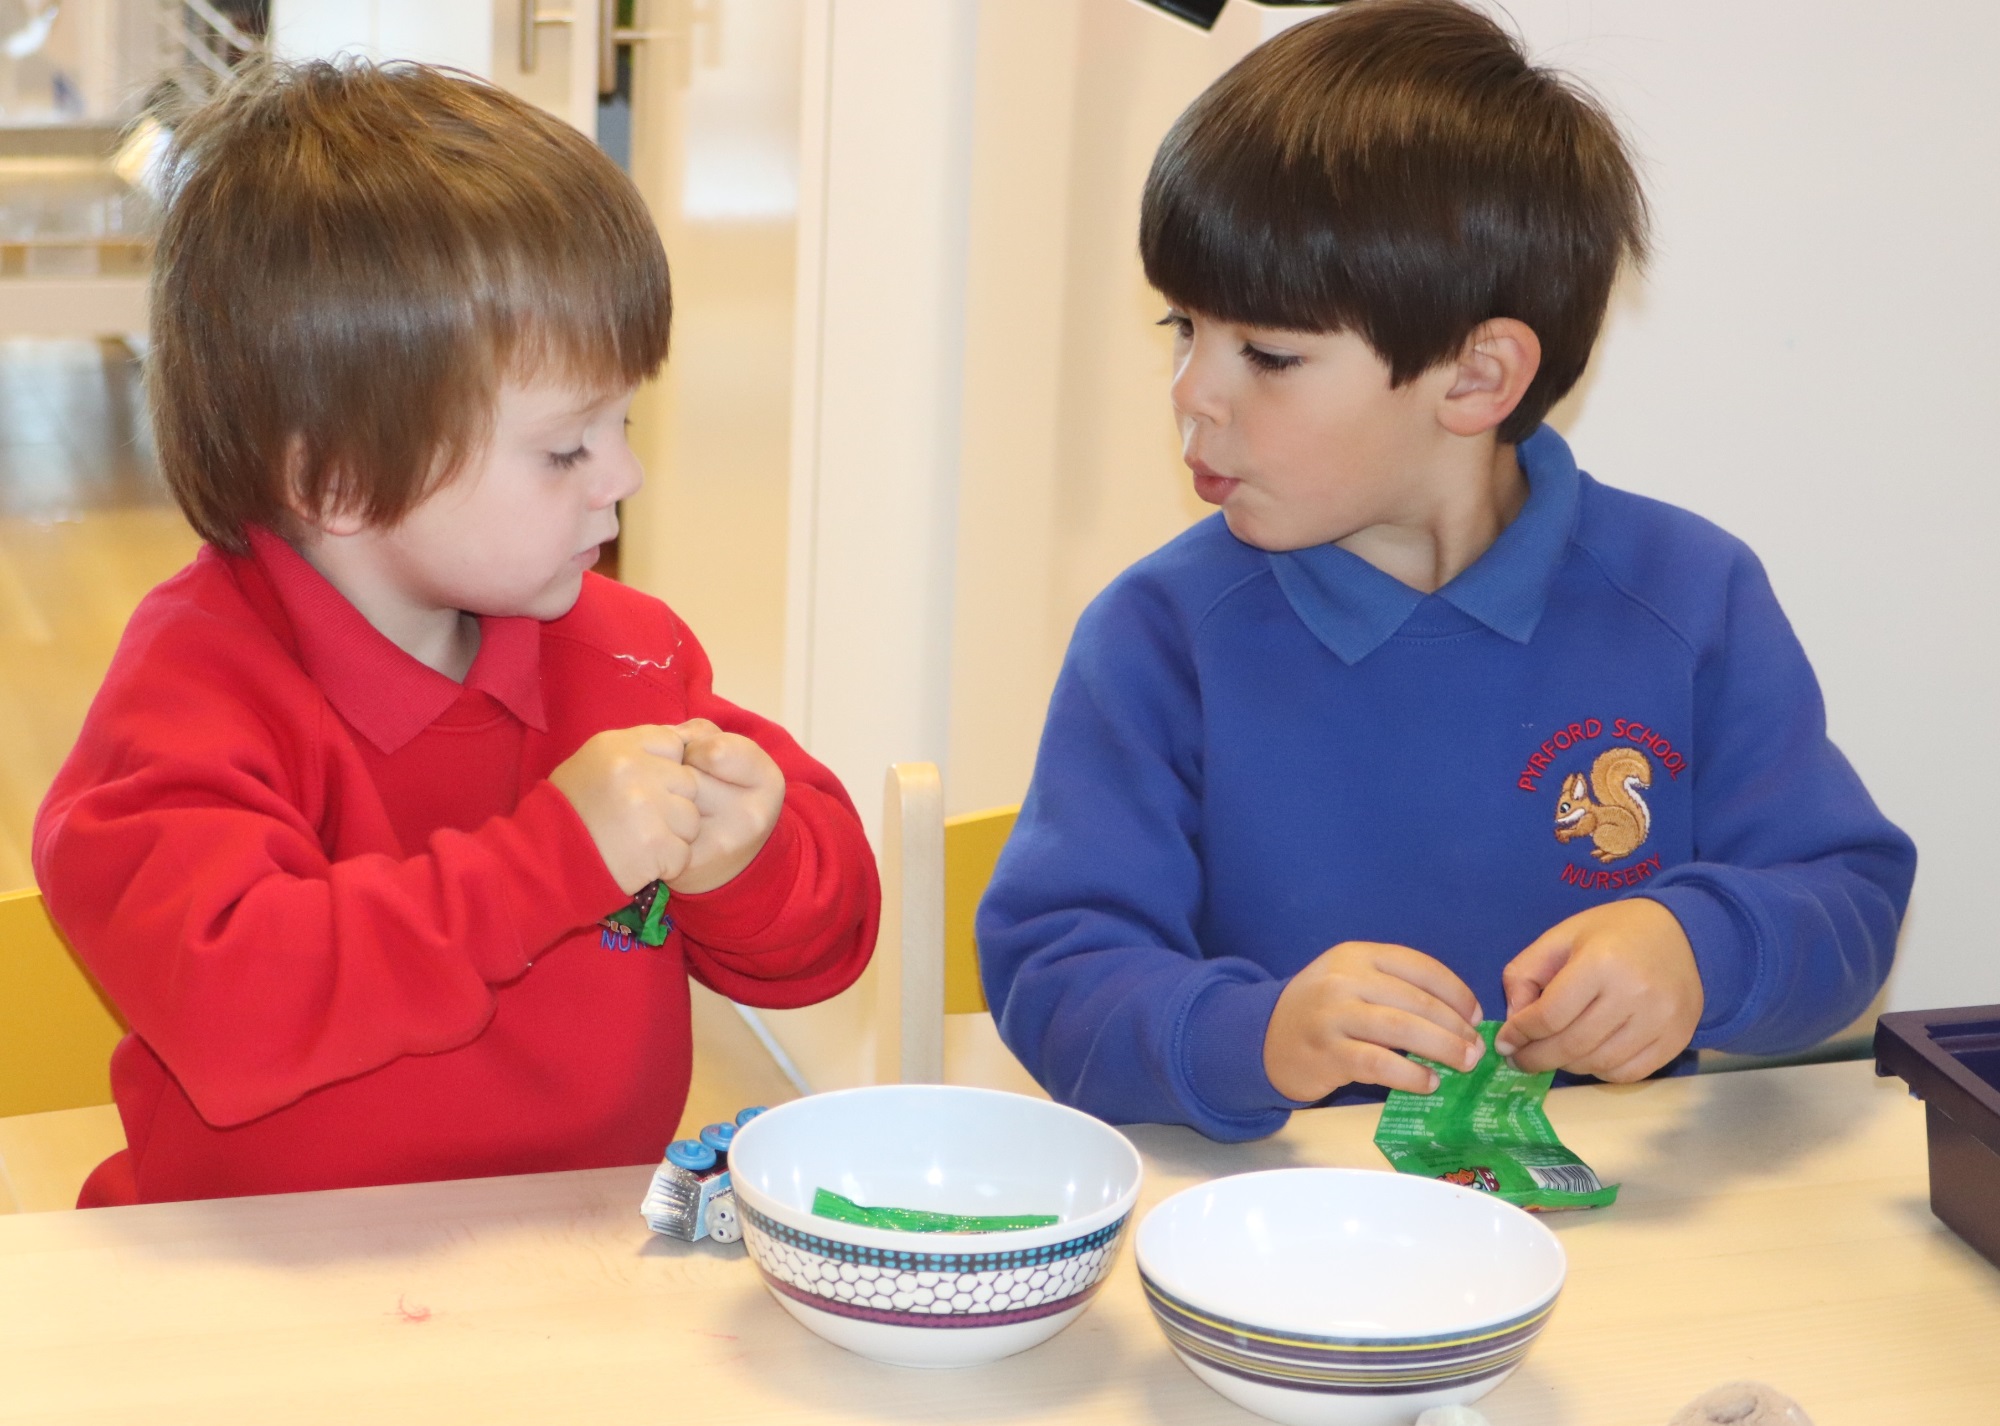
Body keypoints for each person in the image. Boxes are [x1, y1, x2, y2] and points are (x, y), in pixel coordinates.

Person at [976, 0, 1916, 1141]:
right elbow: (1055, 973)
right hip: (1279, 1218)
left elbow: (1846, 900)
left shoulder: (1688, 596)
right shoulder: (1157, 636)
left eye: (1266, 352)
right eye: (1184, 329)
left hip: (1617, 1221)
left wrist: (1696, 947)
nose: (1191, 393)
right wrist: (1257, 1035)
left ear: (1474, 378)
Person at [33, 61, 878, 1205]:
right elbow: (230, 1006)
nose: (623, 476)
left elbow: (823, 946)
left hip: (566, 1262)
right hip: (252, 1273)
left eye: (623, 421)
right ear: (337, 478)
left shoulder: (627, 655)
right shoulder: (194, 693)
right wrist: (553, 861)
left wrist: (748, 857)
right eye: (565, 447)